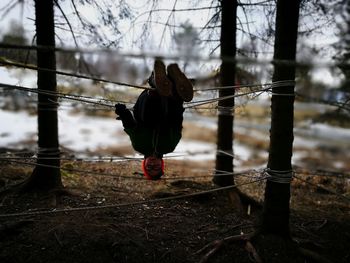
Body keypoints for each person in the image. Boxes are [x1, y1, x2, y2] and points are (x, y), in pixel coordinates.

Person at [114, 59, 193, 180]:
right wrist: (177, 109)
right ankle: (172, 84)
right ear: (162, 164)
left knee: (148, 119)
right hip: (169, 107)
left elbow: (130, 127)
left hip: (147, 104)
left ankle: (157, 82)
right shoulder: (169, 147)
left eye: (149, 168)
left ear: (144, 164)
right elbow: (177, 125)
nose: (152, 165)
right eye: (156, 168)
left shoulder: (139, 146)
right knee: (168, 117)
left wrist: (123, 113)